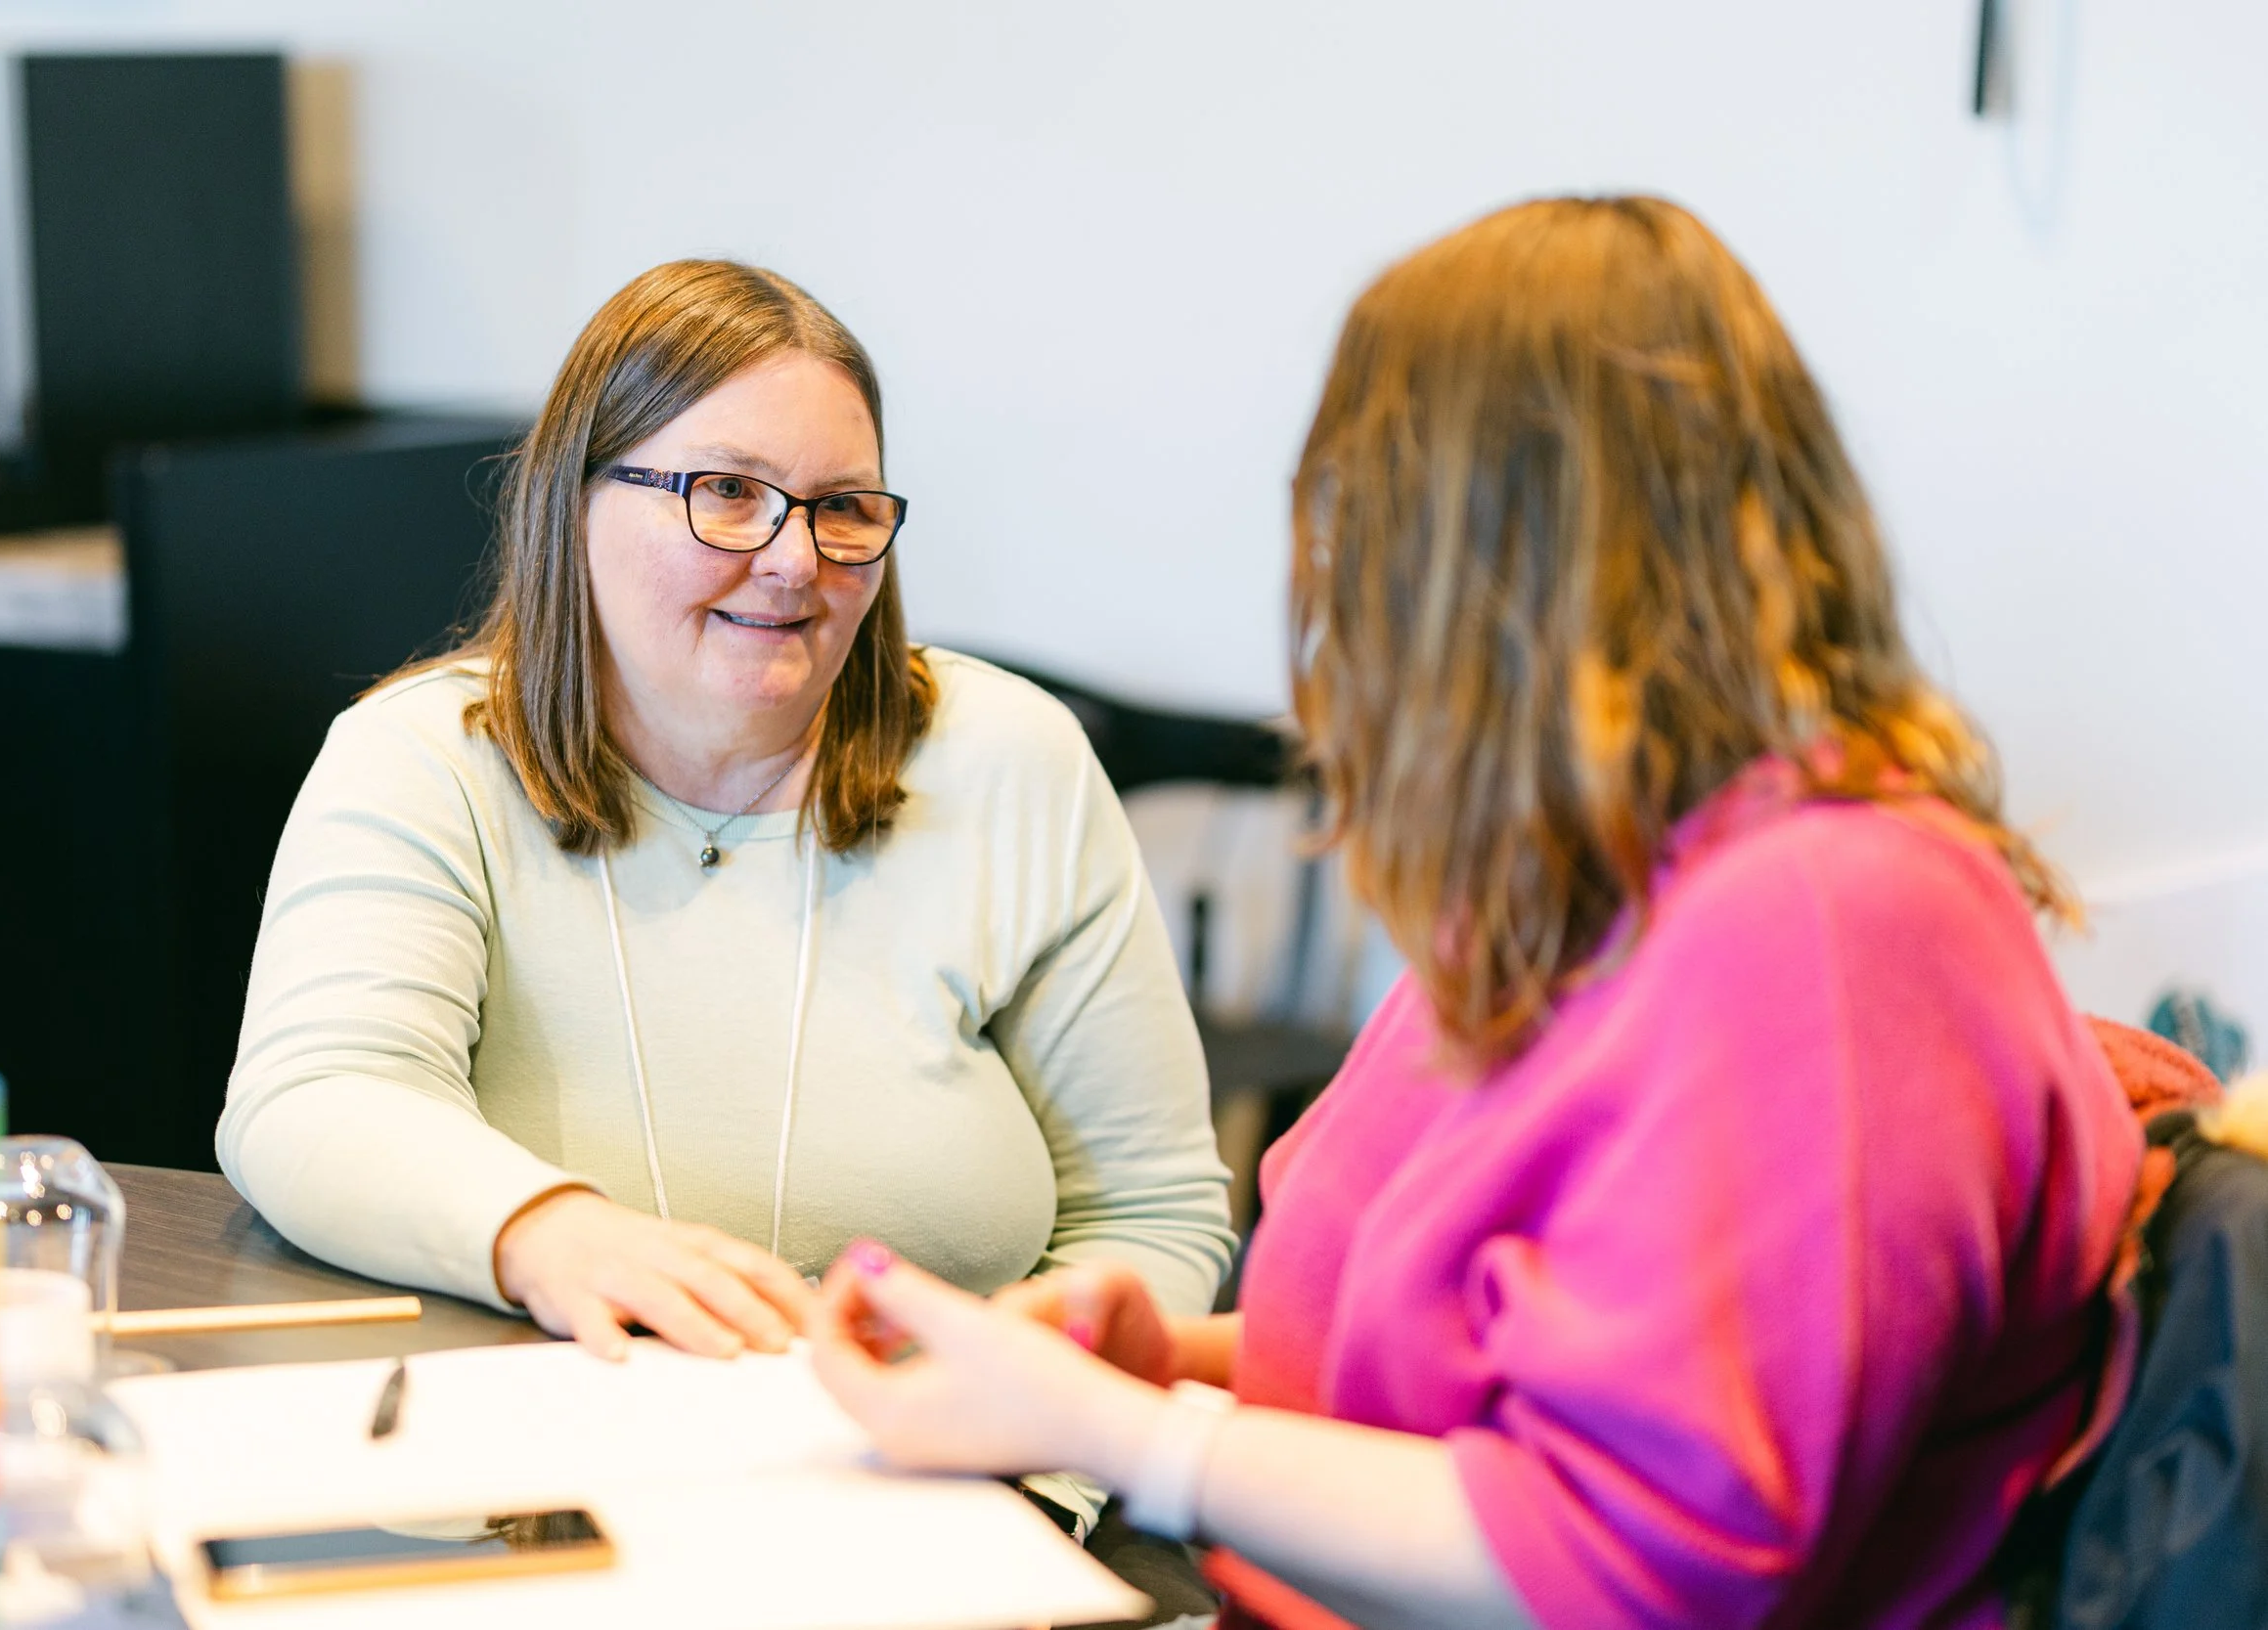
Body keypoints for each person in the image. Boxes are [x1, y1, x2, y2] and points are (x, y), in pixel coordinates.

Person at [809, 197, 2147, 1630]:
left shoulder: (1826, 916)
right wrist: (1165, 1367)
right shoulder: (1593, 883)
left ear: (1462, 556)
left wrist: (1133, 1437)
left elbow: (1637, 1558)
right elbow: (1478, 1370)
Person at [216, 261, 1234, 1386]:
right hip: (542, 1485)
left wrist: (1049, 1451)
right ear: (577, 499)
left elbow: (1152, 1212)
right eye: (728, 492)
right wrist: (548, 1231)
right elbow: (314, 1099)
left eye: (841, 506)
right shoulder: (420, 761)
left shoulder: (1011, 759)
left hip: (948, 1479)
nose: (795, 559)